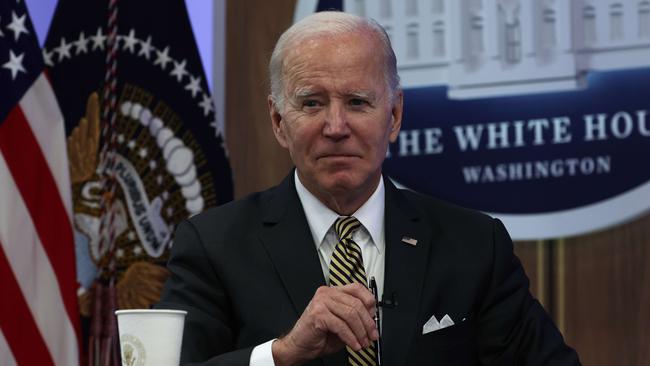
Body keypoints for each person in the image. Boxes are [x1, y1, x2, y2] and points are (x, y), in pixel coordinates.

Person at [157, 11, 581, 366]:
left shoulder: (473, 245)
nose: (336, 127)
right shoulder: (213, 246)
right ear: (277, 121)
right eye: (311, 103)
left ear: (394, 115)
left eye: (358, 102)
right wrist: (281, 354)